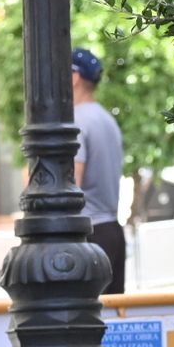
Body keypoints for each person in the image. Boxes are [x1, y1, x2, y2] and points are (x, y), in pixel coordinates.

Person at [71, 47, 127, 295]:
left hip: (88, 236)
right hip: (112, 231)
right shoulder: (107, 119)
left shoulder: (76, 120)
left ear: (74, 78)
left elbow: (72, 184)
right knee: (113, 322)